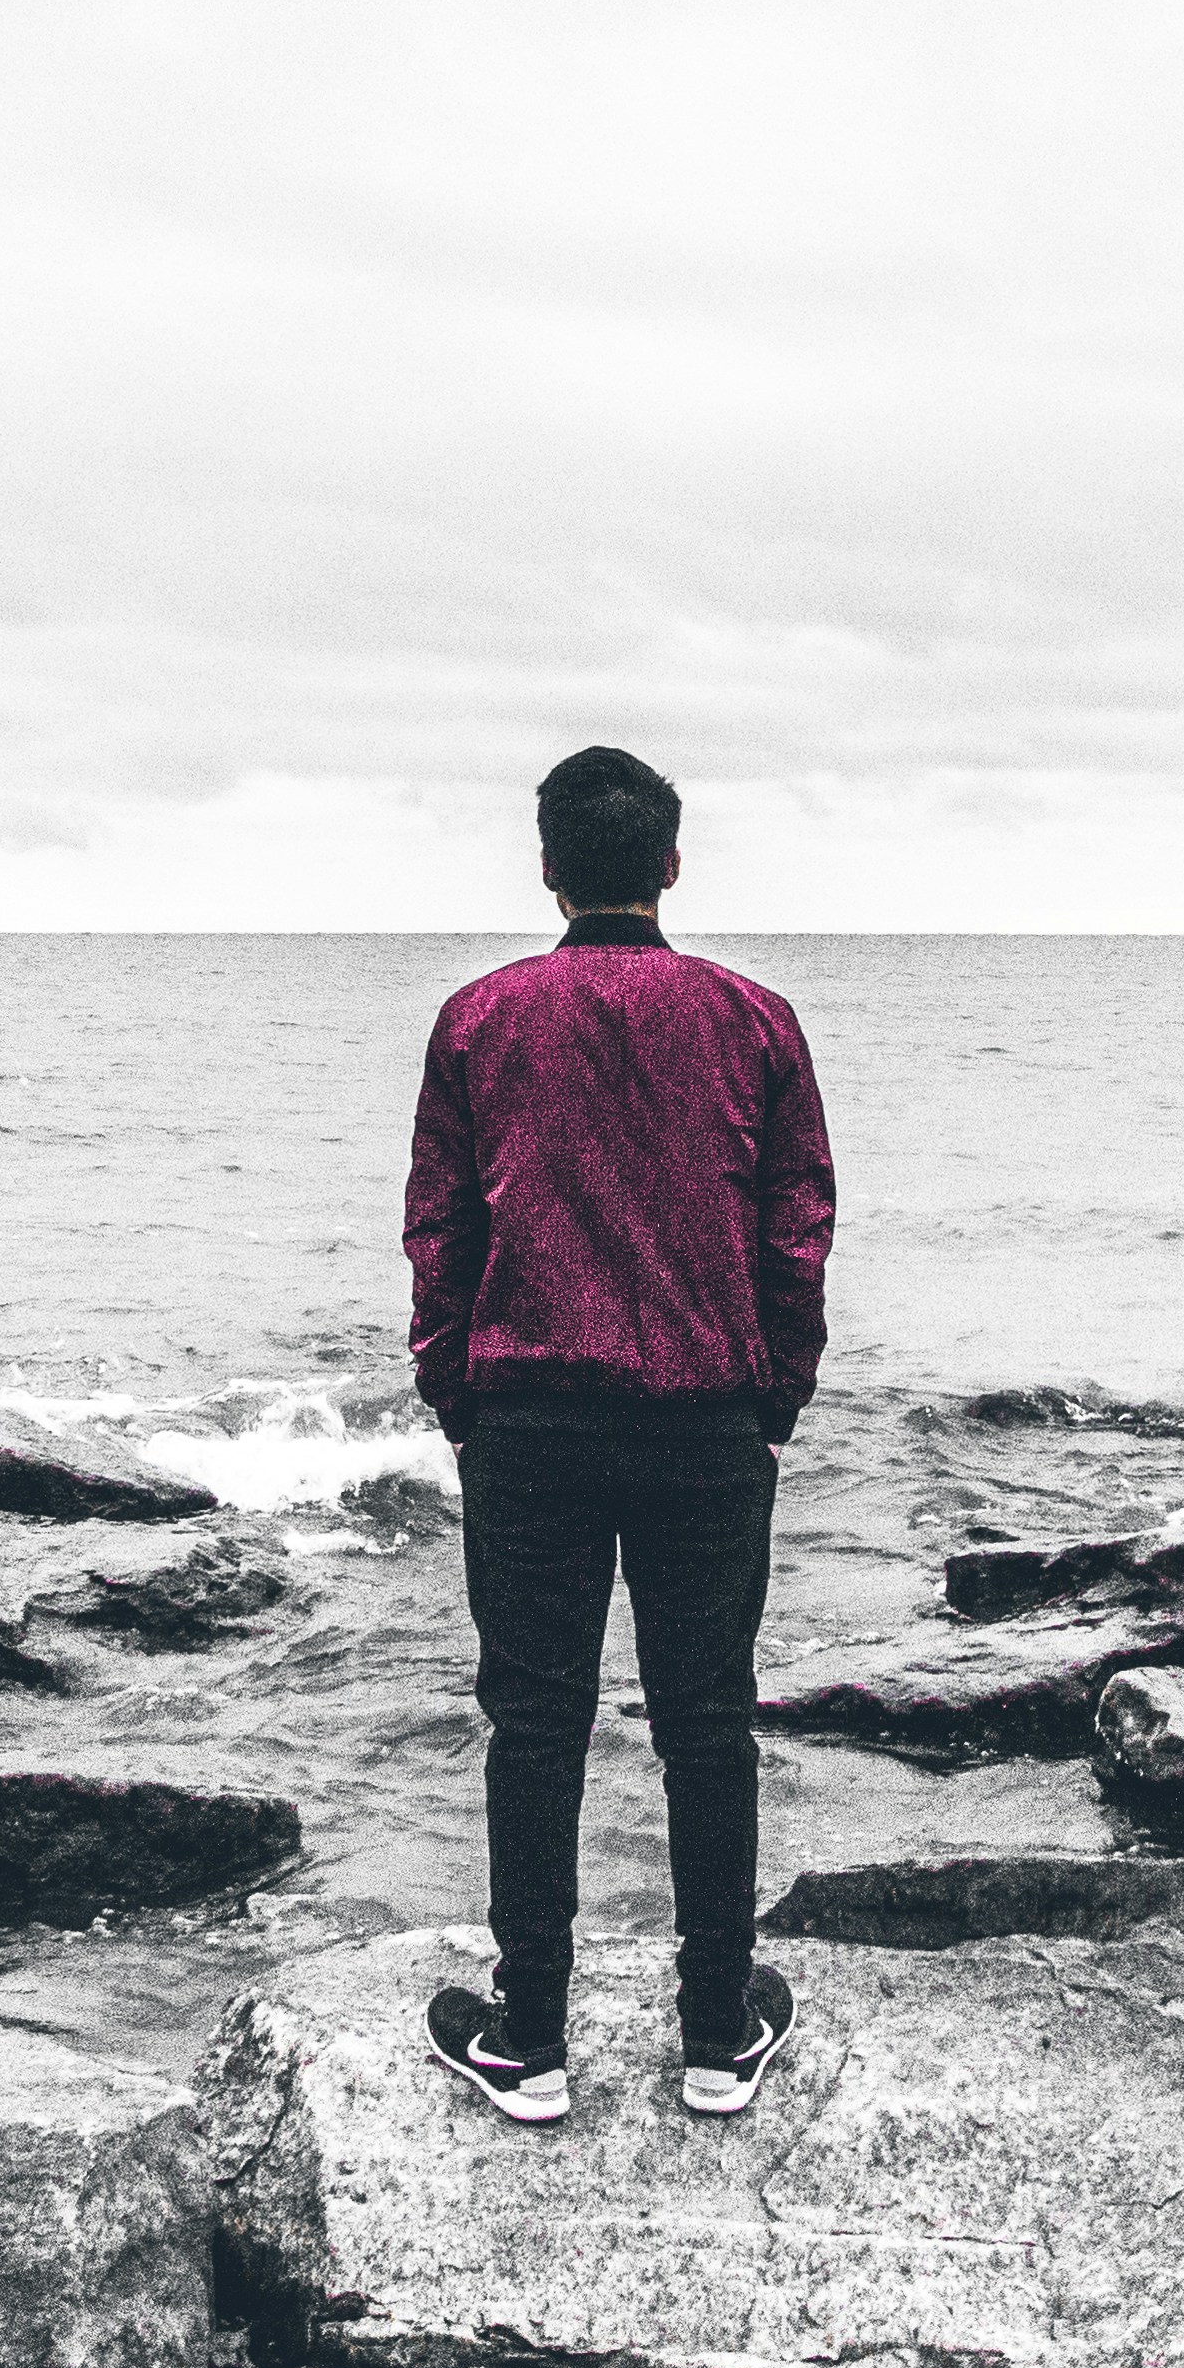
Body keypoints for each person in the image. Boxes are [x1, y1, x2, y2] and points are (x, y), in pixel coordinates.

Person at [402, 745, 836, 2127]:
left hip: (528, 1415)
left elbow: (440, 1229)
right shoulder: (753, 1018)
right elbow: (796, 1227)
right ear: (667, 861)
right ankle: (716, 2032)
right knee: (707, 1725)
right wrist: (776, 1388)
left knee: (533, 1728)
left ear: (544, 863)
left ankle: (530, 2037)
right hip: (705, 1414)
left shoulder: (478, 1018)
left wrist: (452, 1383)